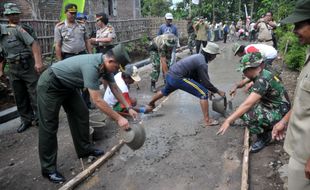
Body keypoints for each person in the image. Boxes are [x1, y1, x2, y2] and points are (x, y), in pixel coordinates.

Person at [37, 44, 138, 183]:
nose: (116, 71)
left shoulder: (106, 67)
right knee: (49, 125)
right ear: (110, 61)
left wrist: (129, 107)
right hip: (51, 84)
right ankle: (48, 169)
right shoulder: (92, 66)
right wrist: (119, 118)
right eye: (116, 67)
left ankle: (84, 149)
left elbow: (115, 87)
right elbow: (97, 100)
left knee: (81, 113)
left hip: (68, 85)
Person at [217, 52, 290, 153]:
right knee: (244, 108)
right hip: (279, 104)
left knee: (246, 115)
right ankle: (268, 124)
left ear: (256, 67)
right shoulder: (263, 71)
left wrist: (228, 121)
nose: (243, 73)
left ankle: (265, 137)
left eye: (245, 70)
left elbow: (247, 104)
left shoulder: (262, 80)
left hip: (279, 109)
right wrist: (236, 86)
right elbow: (245, 80)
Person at [271, 1, 310, 189]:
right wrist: (284, 120)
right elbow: (304, 101)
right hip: (301, 149)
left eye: (299, 25)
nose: (294, 30)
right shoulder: (309, 54)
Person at [148, 42, 225, 127]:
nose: (215, 57)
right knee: (203, 93)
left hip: (170, 75)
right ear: (210, 54)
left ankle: (150, 103)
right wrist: (218, 91)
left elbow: (196, 78)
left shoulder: (198, 57)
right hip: (178, 78)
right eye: (215, 55)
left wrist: (206, 88)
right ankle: (207, 121)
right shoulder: (202, 63)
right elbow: (206, 82)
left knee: (164, 91)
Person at [0, 3, 44, 133]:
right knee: (19, 95)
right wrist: (1, 69)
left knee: (34, 93)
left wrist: (38, 62)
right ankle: (26, 120)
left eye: (16, 14)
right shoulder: (2, 36)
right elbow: (2, 55)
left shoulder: (18, 29)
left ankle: (40, 118)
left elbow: (34, 44)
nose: (14, 16)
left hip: (27, 65)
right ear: (6, 16)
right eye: (11, 14)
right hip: (13, 68)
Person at [54, 3, 93, 109]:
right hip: (68, 57)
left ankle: (86, 103)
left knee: (86, 79)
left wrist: (90, 55)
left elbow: (87, 41)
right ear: (65, 13)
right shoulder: (59, 27)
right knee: (71, 81)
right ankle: (75, 105)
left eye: (74, 13)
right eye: (70, 13)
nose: (73, 15)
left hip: (82, 54)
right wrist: (60, 61)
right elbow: (57, 45)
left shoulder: (82, 25)